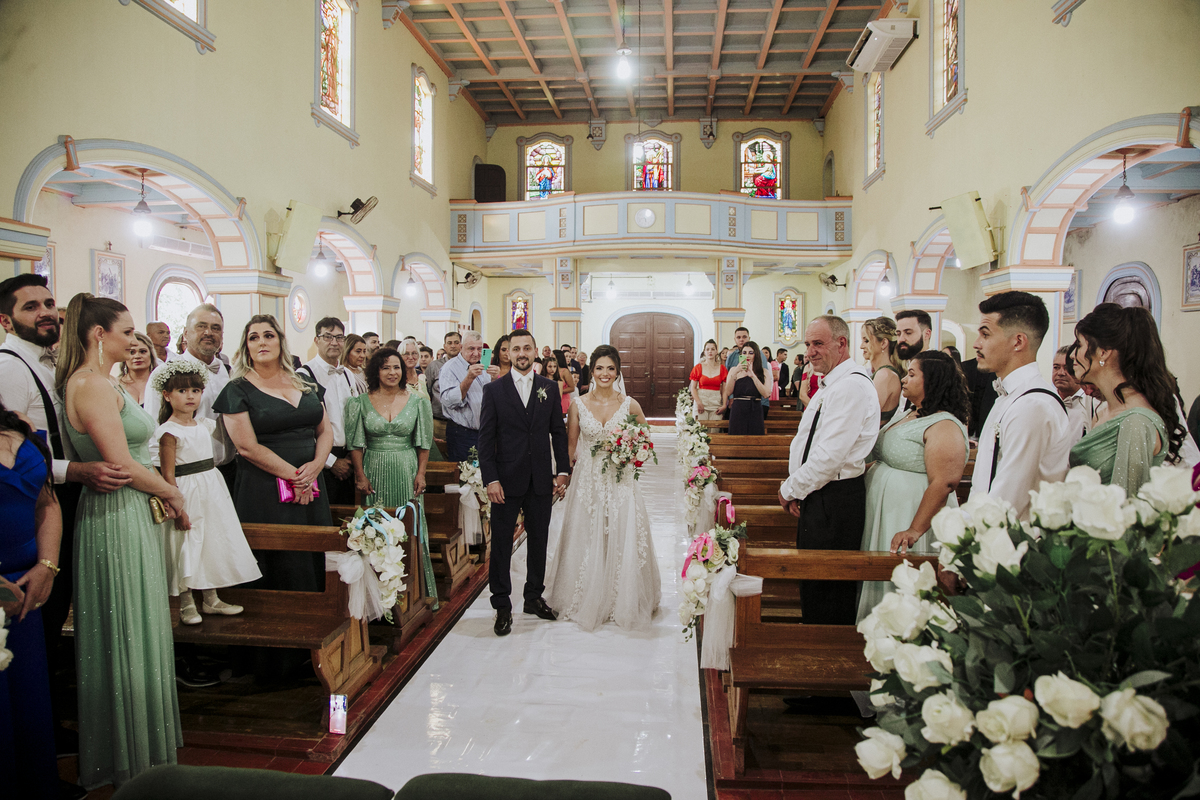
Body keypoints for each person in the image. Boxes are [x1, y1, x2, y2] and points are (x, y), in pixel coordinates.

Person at [0, 274, 132, 757]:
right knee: (42, 618)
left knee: (53, 622)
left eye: (48, 303)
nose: (45, 313)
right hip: (29, 508)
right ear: (5, 321)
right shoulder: (10, 369)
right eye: (30, 307)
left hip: (59, 501)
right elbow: (12, 457)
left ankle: (50, 725)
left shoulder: (52, 362)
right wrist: (74, 469)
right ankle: (37, 732)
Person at [56, 292, 184, 788]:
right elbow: (121, 463)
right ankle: (127, 754)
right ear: (98, 334)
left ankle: (146, 747)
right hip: (114, 513)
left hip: (129, 508)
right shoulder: (89, 384)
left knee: (142, 621)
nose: (135, 340)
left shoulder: (105, 381)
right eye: (127, 331)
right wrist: (172, 492)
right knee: (126, 625)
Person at [214, 315, 333, 677]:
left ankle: (316, 645)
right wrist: (295, 476)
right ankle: (274, 660)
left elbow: (325, 430)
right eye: (254, 337)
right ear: (246, 346)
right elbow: (246, 447)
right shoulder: (237, 389)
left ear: (281, 341)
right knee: (278, 559)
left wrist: (315, 467)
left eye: (269, 335)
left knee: (311, 556)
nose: (262, 342)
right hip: (264, 486)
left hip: (312, 482)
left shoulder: (305, 382)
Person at [546, 344, 661, 631]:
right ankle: (586, 594)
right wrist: (563, 477)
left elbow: (646, 442)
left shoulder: (630, 405)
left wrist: (630, 453)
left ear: (617, 372)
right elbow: (571, 447)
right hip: (588, 479)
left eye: (610, 368)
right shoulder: (578, 404)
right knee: (587, 533)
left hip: (620, 480)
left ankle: (621, 596)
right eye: (599, 368)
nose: (605, 373)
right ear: (592, 372)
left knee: (621, 531)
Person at [777, 316, 879, 625]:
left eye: (818, 344)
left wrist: (789, 489)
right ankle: (814, 637)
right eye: (808, 344)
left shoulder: (850, 387)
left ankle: (825, 645)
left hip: (834, 498)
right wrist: (800, 489)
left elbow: (829, 457)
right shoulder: (832, 383)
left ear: (841, 343)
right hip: (819, 494)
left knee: (828, 588)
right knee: (814, 583)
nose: (810, 352)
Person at [857, 352, 970, 621]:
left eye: (911, 374)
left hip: (909, 513)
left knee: (904, 585)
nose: (904, 379)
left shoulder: (944, 424)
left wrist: (914, 529)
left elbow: (944, 482)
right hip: (886, 510)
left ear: (932, 381)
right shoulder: (909, 413)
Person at [153, 361, 260, 626]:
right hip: (186, 491)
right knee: (188, 543)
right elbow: (168, 475)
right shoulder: (168, 432)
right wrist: (178, 507)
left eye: (195, 390)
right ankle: (186, 602)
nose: (190, 396)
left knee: (211, 541)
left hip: (211, 489)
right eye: (182, 391)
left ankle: (211, 599)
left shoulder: (203, 424)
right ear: (167, 395)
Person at [477, 329, 570, 637]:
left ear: (534, 352)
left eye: (526, 348)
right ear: (507, 352)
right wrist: (491, 478)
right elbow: (485, 439)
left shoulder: (549, 388)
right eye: (515, 348)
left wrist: (562, 470)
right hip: (505, 479)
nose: (521, 353)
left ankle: (533, 597)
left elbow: (557, 431)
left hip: (540, 477)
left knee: (539, 540)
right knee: (502, 544)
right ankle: (502, 605)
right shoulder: (494, 390)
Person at [0, 400, 64, 797]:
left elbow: (47, 502)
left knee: (28, 703)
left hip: (27, 589)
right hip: (1, 593)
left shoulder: (18, 425)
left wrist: (47, 564)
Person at [344, 347, 438, 610]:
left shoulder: (417, 401)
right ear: (376, 371)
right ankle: (378, 600)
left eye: (396, 367)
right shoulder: (359, 402)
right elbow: (355, 444)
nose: (392, 372)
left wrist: (421, 473)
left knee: (409, 526)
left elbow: (424, 443)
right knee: (375, 529)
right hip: (374, 469)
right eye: (385, 367)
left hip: (406, 469)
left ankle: (415, 594)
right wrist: (360, 475)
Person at [969, 291, 1073, 519]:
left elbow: (1006, 501)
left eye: (985, 334)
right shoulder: (1009, 396)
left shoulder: (1032, 406)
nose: (977, 344)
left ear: (1018, 342)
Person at [1068, 304, 1182, 496]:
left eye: (1079, 345)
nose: (1072, 354)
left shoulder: (1136, 421)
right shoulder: (1103, 412)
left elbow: (1127, 502)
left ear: (1103, 352)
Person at [297, 317, 355, 505]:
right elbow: (304, 427)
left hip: (349, 459)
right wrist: (331, 461)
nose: (334, 342)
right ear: (317, 340)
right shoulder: (304, 375)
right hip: (320, 460)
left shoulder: (348, 375)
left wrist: (352, 456)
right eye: (328, 337)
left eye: (339, 337)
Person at [439, 331, 497, 461]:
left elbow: (491, 398)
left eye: (479, 349)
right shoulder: (450, 368)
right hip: (462, 433)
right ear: (461, 347)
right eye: (471, 349)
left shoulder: (484, 366)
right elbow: (448, 401)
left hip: (484, 431)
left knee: (484, 470)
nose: (476, 353)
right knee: (465, 471)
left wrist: (494, 379)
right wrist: (469, 378)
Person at [1053, 345, 1101, 440]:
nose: (1061, 373)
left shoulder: (1093, 402)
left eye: (1066, 368)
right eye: (1056, 367)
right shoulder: (1046, 401)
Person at [862, 317, 903, 425]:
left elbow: (864, 417)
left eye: (866, 341)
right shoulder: (883, 373)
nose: (861, 346)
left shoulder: (885, 375)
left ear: (883, 343)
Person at [723, 341, 770, 435]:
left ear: (756, 355)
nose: (747, 355)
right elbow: (728, 392)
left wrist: (753, 375)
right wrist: (735, 372)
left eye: (751, 353)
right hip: (738, 409)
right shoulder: (733, 370)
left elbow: (766, 394)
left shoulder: (764, 371)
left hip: (755, 408)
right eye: (744, 353)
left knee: (755, 438)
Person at [426, 330, 461, 442]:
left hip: (460, 421)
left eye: (456, 342)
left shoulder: (467, 365)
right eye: (449, 343)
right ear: (444, 346)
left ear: (461, 345)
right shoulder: (434, 366)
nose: (453, 346)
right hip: (439, 421)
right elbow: (427, 392)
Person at [689, 339, 727, 421]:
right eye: (707, 349)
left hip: (716, 402)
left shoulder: (722, 369)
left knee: (715, 427)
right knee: (700, 427)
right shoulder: (698, 367)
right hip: (701, 402)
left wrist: (724, 405)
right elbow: (693, 388)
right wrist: (698, 402)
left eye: (713, 349)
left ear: (716, 351)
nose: (710, 351)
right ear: (704, 352)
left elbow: (724, 390)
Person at [119, 331, 158, 405]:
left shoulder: (161, 384)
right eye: (132, 352)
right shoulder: (116, 385)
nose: (137, 356)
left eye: (142, 351)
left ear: (151, 354)